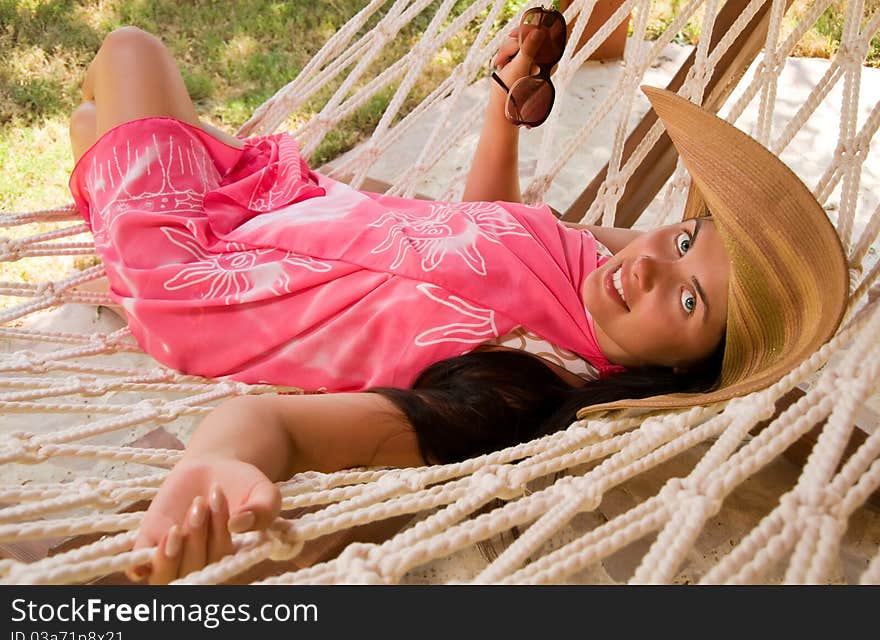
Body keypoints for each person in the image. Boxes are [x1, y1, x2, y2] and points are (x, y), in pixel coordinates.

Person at [65, 13, 847, 584]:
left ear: (684, 371)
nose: (648, 268)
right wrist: (504, 104)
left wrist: (217, 460)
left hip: (206, 277)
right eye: (681, 239)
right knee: (91, 123)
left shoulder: (521, 385)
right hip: (276, 207)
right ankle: (110, 213)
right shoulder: (600, 269)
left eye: (688, 303)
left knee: (129, 50)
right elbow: (494, 233)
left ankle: (120, 244)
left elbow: (281, 428)